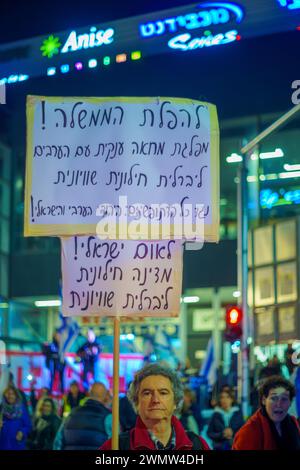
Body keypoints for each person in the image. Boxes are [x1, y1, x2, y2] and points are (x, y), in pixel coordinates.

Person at [100, 363, 210, 450]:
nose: (155, 400)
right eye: (147, 393)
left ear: (175, 402)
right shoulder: (116, 446)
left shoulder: (197, 445)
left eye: (163, 393)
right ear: (136, 403)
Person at [233, 375, 300, 450]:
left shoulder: (294, 424)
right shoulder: (249, 432)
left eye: (284, 399)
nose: (279, 404)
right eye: (274, 398)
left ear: (290, 402)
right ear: (264, 400)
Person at [53, 382, 112, 450]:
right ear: (105, 396)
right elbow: (113, 444)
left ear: (89, 393)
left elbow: (58, 442)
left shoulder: (72, 413)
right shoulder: (108, 417)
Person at [0, 385, 32, 450]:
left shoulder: (21, 409)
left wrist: (22, 432)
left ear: (16, 396)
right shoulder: (1, 408)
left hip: (16, 444)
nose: (10, 396)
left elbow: (28, 425)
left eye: (12, 394)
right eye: (8, 393)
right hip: (3, 444)